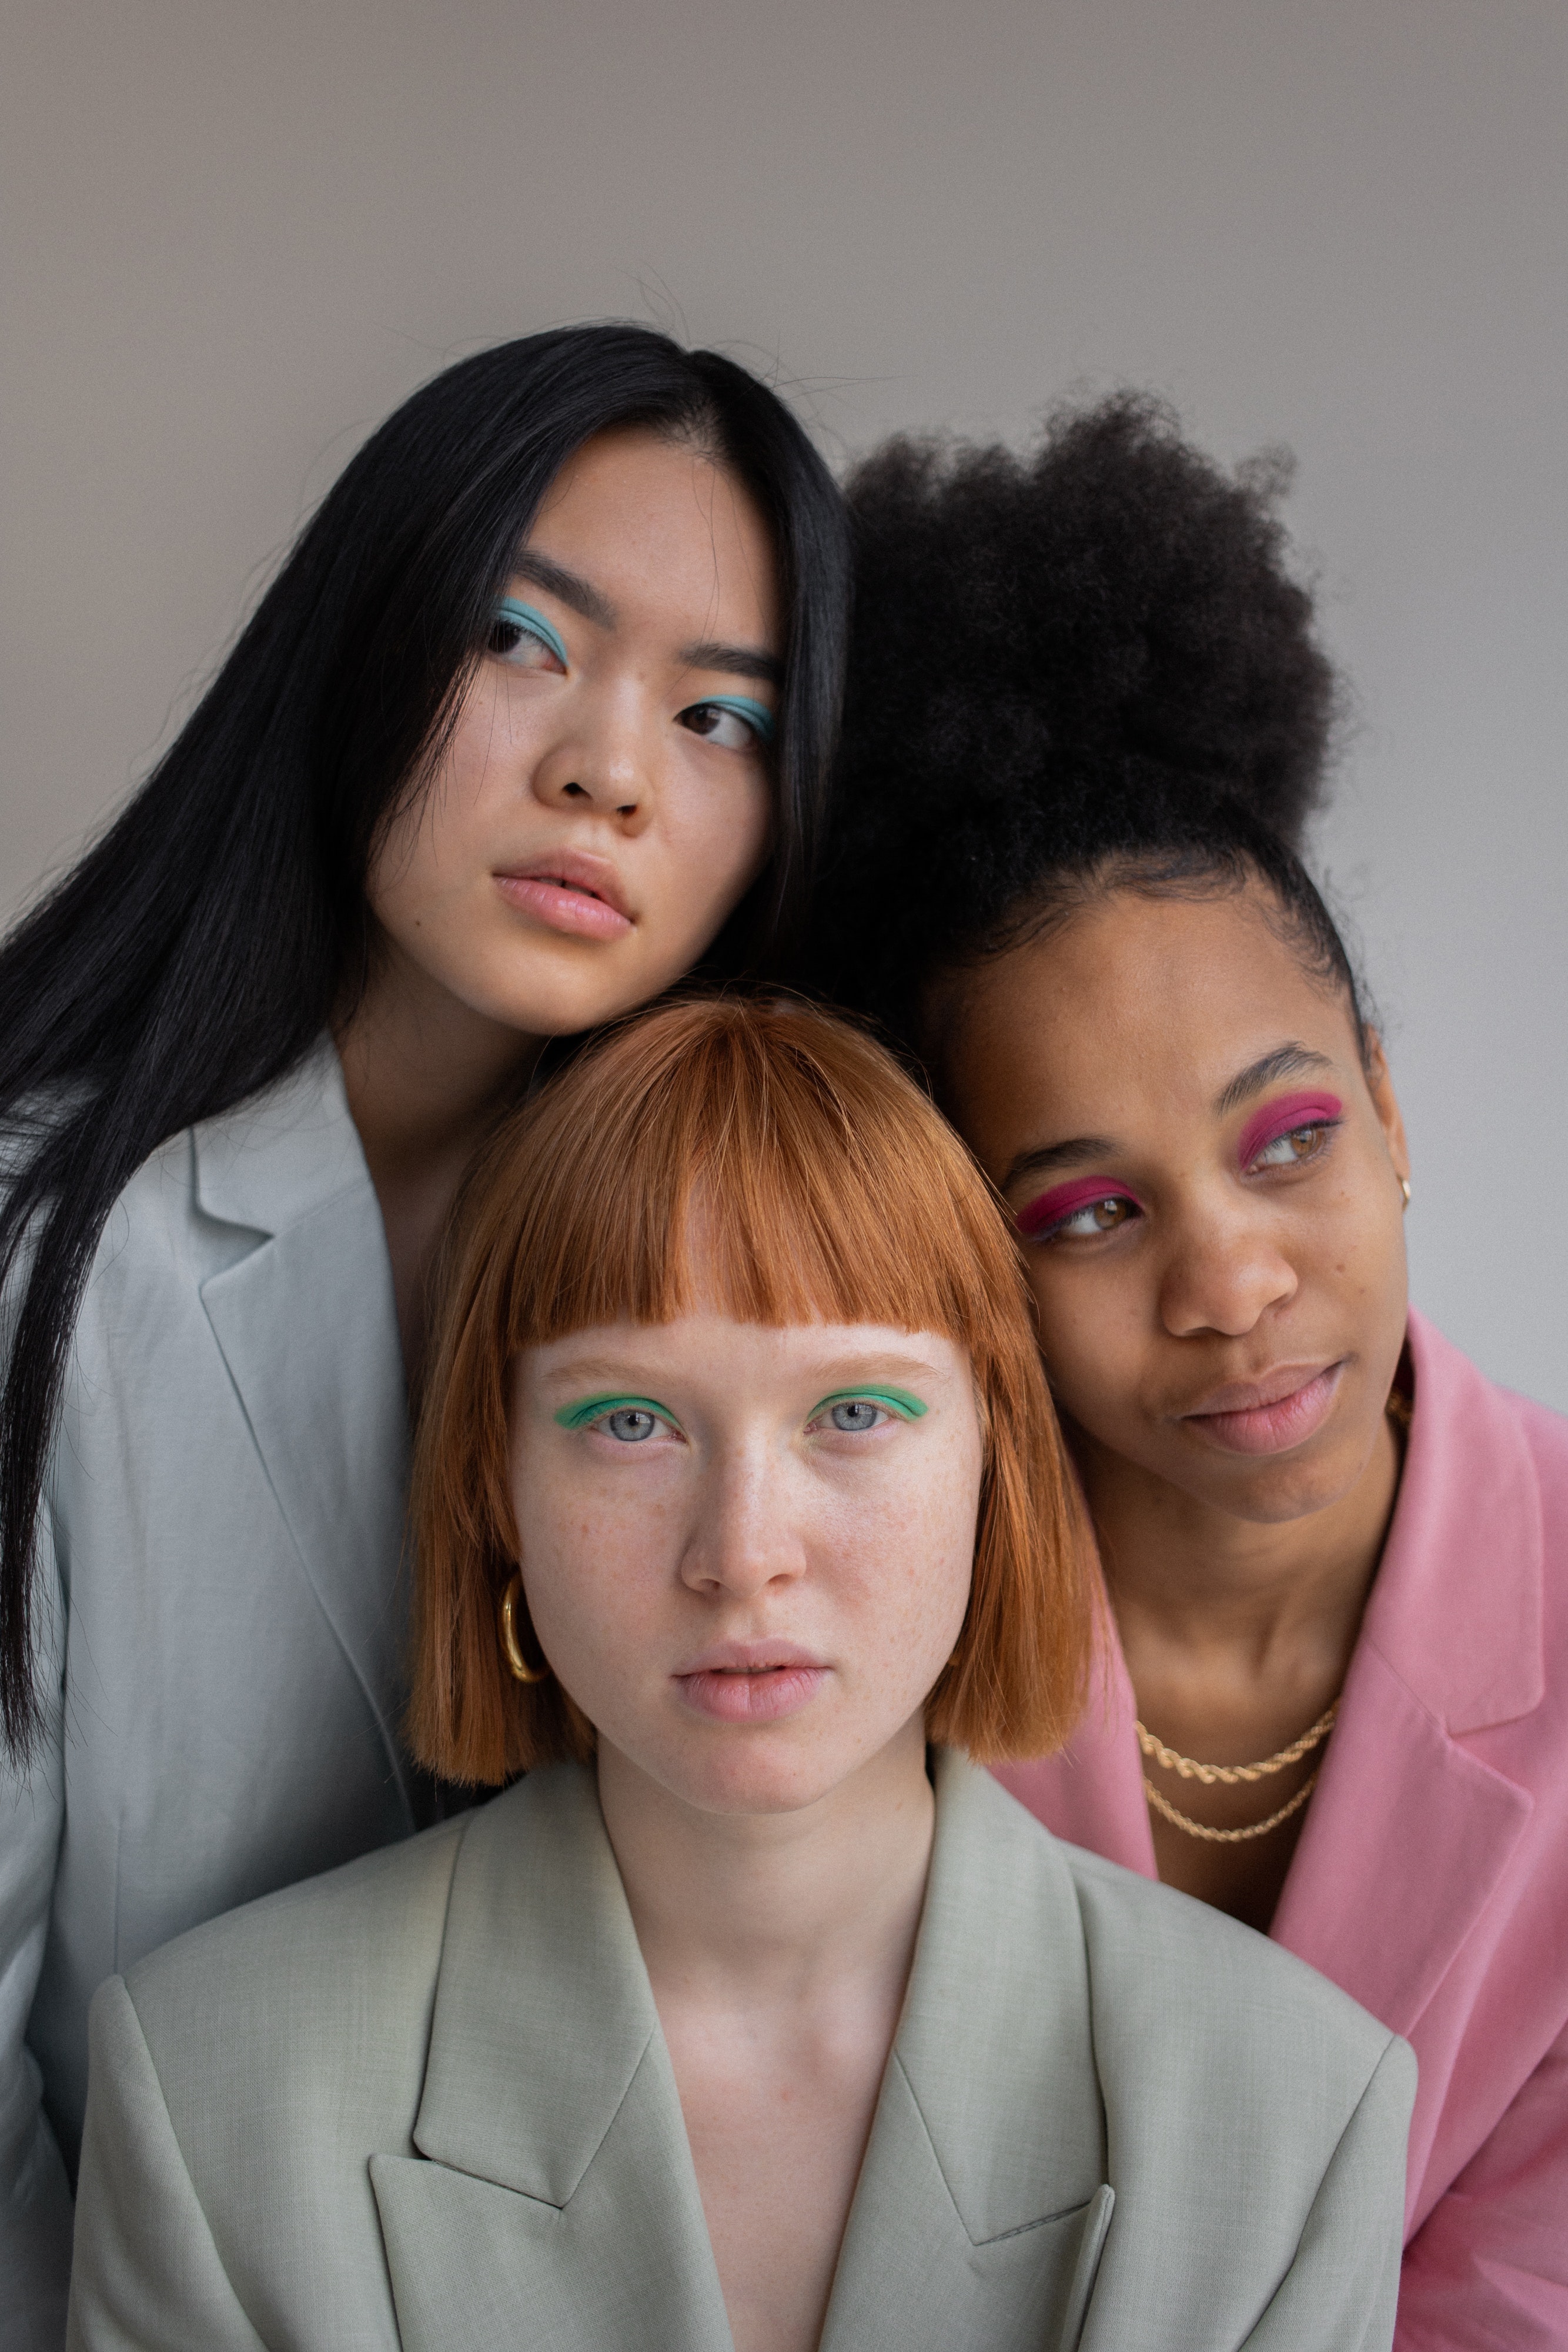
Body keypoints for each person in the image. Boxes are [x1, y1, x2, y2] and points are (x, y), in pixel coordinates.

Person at [66, 995, 1412, 2352]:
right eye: (630, 1420)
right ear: (496, 1488)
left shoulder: (1298, 2112)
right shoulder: (211, 2090)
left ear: (993, 1466)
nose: (743, 1552)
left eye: (852, 1412)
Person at [0, 323, 851, 2338]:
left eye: (722, 716)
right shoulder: (49, 1249)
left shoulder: (773, 1278)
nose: (607, 769)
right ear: (362, 638)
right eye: (518, 637)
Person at [813, 397, 1568, 2345]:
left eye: (1285, 1135)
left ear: (1387, 1109)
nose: (1228, 1286)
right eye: (1083, 1214)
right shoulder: (828, 1609)